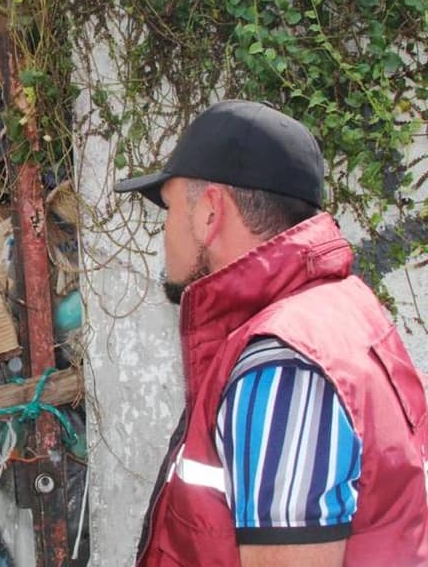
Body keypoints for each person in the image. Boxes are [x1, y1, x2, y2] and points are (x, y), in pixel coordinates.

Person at [114, 100, 428, 566]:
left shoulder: (282, 365)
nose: (165, 232)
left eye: (170, 209)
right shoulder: (339, 308)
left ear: (209, 214)